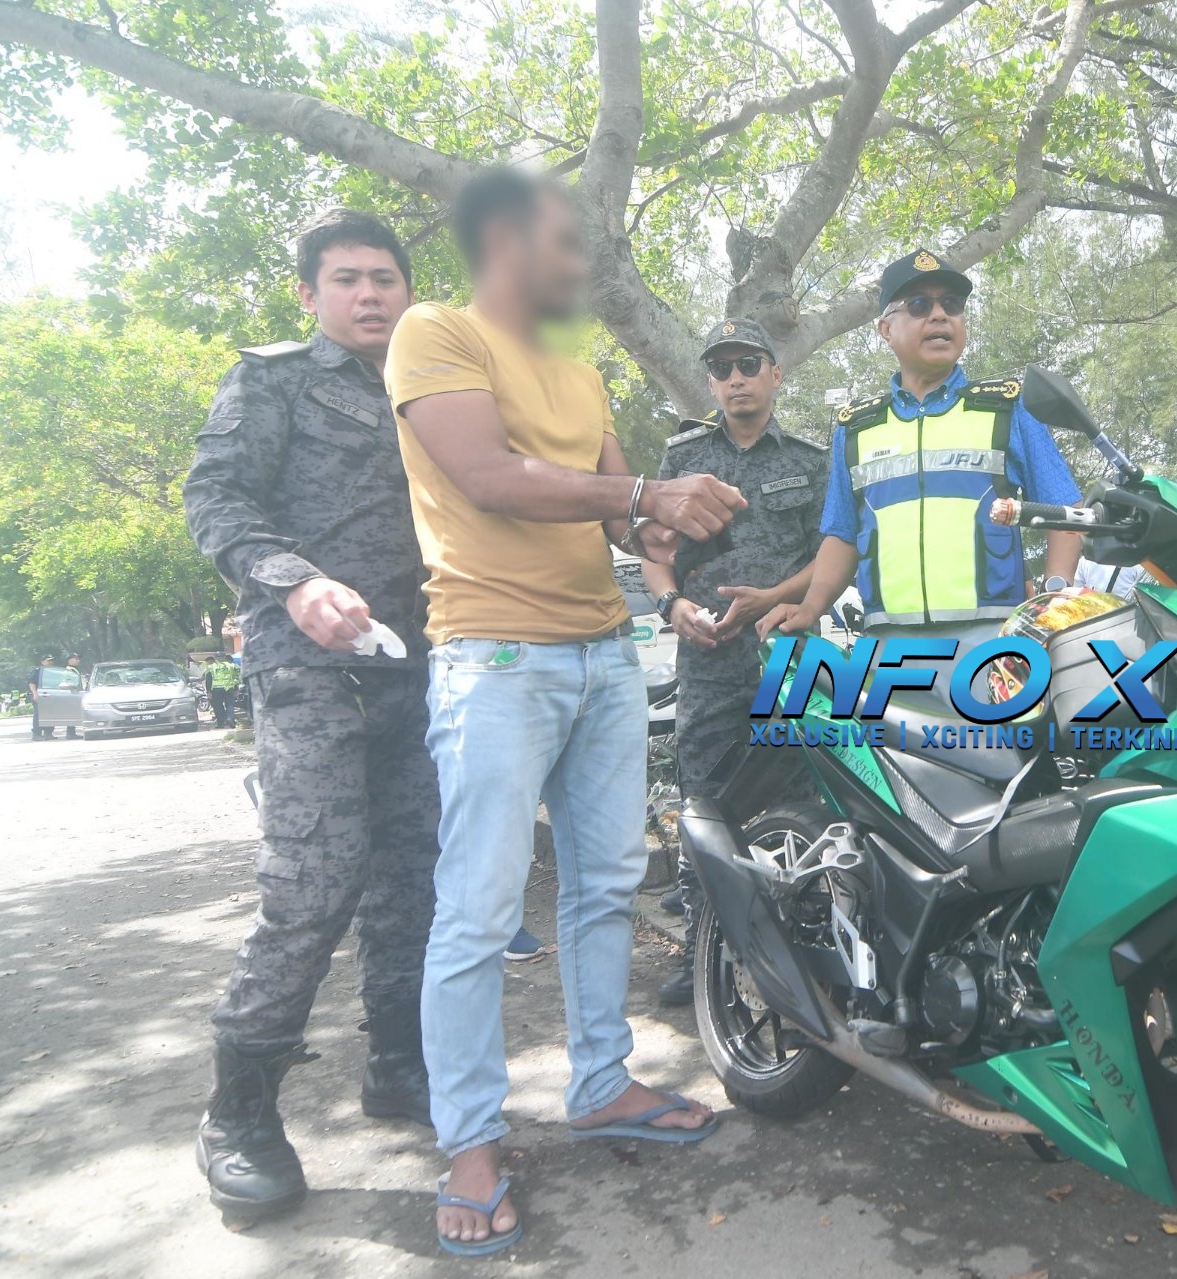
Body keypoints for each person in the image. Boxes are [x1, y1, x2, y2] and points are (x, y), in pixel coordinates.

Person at [385, 167, 740, 1257]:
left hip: (602, 655)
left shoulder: (580, 374)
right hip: (494, 655)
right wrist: (642, 498)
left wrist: (669, 530)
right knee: (480, 908)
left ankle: (600, 1081)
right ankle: (471, 1141)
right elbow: (489, 476)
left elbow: (625, 516)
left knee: (606, 884)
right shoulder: (434, 333)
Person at [184, 209, 441, 1225]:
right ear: (309, 293)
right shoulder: (275, 379)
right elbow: (215, 499)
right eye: (347, 279)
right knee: (315, 879)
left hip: (417, 668)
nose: (370, 294)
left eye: (385, 278)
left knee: (411, 875)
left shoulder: (430, 389)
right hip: (307, 664)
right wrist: (294, 581)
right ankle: (237, 1113)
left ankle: (399, 1064)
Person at [757, 250, 1083, 652]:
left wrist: (1054, 596)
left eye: (951, 304)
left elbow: (1065, 511)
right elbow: (842, 535)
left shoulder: (1007, 408)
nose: (939, 315)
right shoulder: (856, 427)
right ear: (885, 329)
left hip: (992, 641)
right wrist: (811, 606)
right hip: (888, 646)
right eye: (918, 305)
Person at [642, 318, 827, 1006]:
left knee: (804, 803)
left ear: (775, 373)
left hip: (791, 654)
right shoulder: (683, 458)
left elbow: (832, 555)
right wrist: (671, 607)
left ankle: (807, 949)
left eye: (749, 364)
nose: (736, 378)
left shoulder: (812, 460)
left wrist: (773, 599)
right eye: (722, 368)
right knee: (705, 807)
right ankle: (703, 952)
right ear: (711, 382)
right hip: (709, 658)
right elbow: (655, 552)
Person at [204, 654, 239, 728]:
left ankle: (221, 723)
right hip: (229, 687)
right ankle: (230, 718)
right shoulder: (231, 665)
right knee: (230, 704)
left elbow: (208, 679)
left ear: (215, 658)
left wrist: (208, 691)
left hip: (216, 688)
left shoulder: (211, 667)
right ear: (224, 658)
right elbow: (235, 678)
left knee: (218, 706)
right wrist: (236, 689)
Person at [28, 655, 56, 741]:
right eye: (48, 661)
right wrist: (35, 693)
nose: (51, 662)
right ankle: (36, 734)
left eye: (52, 660)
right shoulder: (38, 671)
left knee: (50, 714)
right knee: (38, 715)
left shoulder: (52, 672)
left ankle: (48, 733)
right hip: (39, 695)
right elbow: (32, 683)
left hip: (49, 695)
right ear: (42, 662)